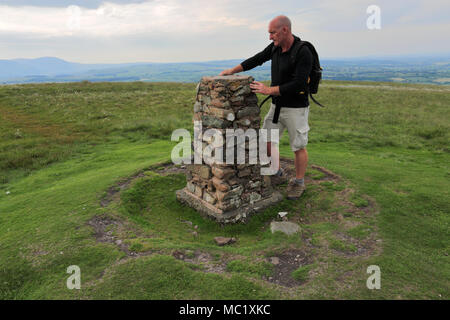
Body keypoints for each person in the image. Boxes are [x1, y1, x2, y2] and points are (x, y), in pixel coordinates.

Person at [219, 15, 313, 200]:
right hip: (277, 106)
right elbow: (258, 59)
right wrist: (232, 71)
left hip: (296, 109)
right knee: (266, 139)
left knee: (298, 146)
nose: (270, 37)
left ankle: (299, 182)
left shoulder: (303, 52)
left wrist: (269, 90)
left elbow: (300, 84)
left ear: (285, 30)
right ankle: (277, 172)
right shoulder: (275, 48)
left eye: (273, 33)